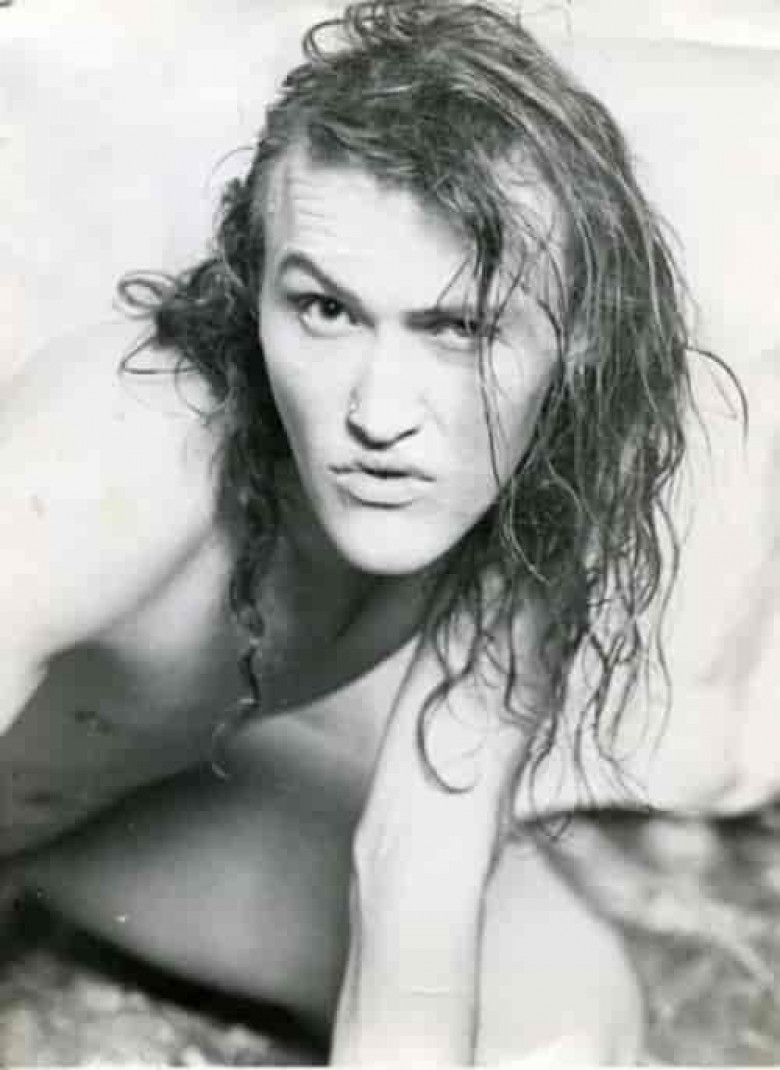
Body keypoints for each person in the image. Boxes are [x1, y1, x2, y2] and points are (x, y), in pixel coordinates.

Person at [0, 0, 759, 1062]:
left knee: (562, 1022)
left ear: (576, 338)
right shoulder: (121, 453)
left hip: (91, 818)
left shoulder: (533, 497)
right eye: (327, 310)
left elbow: (415, 876)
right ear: (253, 287)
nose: (378, 413)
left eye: (459, 327)